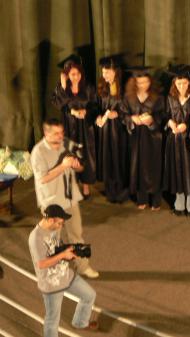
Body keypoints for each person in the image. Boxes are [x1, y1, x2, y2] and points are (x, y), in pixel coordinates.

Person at [30, 118, 99, 278]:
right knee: (53, 240)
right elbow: (42, 179)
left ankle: (83, 267)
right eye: (56, 133)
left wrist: (76, 164)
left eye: (61, 132)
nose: (60, 136)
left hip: (70, 198)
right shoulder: (38, 152)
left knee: (76, 234)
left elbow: (81, 166)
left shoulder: (66, 144)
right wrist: (63, 166)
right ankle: (55, 272)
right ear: (46, 133)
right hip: (52, 203)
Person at [29, 204, 98, 337]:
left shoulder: (54, 229)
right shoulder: (35, 237)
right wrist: (63, 255)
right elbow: (41, 264)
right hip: (51, 284)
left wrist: (71, 250)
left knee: (89, 295)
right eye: (60, 223)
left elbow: (56, 248)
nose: (61, 226)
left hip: (65, 275)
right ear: (51, 220)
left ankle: (80, 322)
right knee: (52, 320)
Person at [51, 55, 98, 198]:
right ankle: (71, 185)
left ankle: (86, 186)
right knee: (69, 154)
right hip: (69, 126)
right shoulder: (62, 88)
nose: (75, 77)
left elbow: (95, 106)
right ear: (67, 75)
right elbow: (59, 105)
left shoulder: (88, 87)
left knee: (86, 156)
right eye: (72, 74)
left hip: (85, 127)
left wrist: (86, 111)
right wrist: (64, 88)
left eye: (77, 74)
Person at [123, 67, 165, 210]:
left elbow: (162, 116)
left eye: (146, 82)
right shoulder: (129, 97)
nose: (143, 85)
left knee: (153, 168)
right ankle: (142, 199)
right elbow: (124, 115)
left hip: (152, 138)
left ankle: (156, 200)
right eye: (139, 82)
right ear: (134, 82)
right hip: (136, 138)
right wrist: (132, 118)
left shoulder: (157, 97)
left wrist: (152, 119)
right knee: (138, 166)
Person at [163, 65, 190, 217]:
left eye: (184, 83)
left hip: (188, 141)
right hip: (174, 141)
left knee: (189, 171)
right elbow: (165, 115)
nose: (182, 86)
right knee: (177, 171)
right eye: (179, 84)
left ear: (189, 83)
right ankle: (179, 202)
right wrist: (170, 123)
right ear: (174, 84)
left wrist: (187, 125)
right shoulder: (170, 98)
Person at [95, 55, 129, 203]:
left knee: (119, 157)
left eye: (107, 72)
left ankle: (121, 190)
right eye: (103, 72)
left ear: (116, 71)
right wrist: (97, 116)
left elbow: (129, 109)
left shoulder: (124, 88)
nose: (104, 75)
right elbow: (96, 106)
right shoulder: (103, 86)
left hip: (119, 131)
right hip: (105, 130)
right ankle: (110, 190)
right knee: (107, 158)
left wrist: (118, 114)